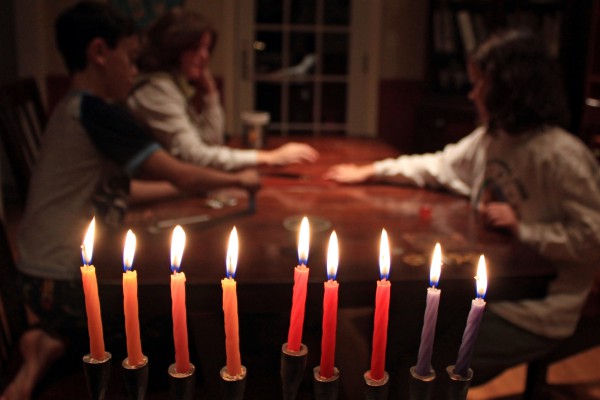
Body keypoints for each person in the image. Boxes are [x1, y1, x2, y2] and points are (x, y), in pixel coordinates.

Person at [0, 2, 260, 400]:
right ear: (100, 53)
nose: (135, 71)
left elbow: (128, 190)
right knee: (169, 321)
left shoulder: (72, 109)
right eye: (131, 58)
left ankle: (50, 343)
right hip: (61, 282)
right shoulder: (97, 112)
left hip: (39, 276)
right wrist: (239, 178)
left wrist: (196, 188)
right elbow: (181, 170)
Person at [326, 29, 600, 386]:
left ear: (509, 87)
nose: (472, 94)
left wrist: (525, 229)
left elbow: (592, 238)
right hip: (487, 290)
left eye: (479, 83)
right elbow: (439, 166)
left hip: (538, 308)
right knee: (397, 331)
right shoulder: (493, 137)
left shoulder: (562, 156)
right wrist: (372, 170)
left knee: (425, 367)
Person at [127, 7, 319, 171]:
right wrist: (267, 158)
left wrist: (210, 92)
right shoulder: (157, 88)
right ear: (174, 47)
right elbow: (195, 156)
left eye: (207, 49)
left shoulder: (174, 85)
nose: (204, 57)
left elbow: (210, 142)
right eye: (195, 48)